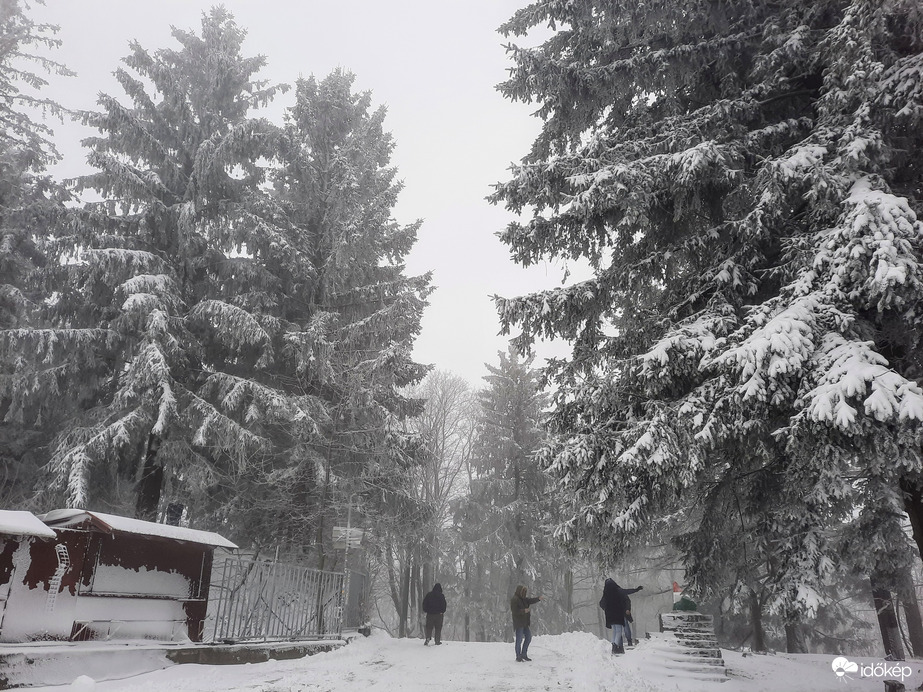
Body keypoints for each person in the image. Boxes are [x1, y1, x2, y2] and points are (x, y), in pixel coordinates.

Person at [600, 578, 642, 654]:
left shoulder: (606, 594)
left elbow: (601, 604)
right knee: (619, 631)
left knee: (614, 631)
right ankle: (615, 646)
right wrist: (636, 589)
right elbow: (627, 592)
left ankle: (613, 645)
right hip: (618, 614)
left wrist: (607, 609)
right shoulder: (618, 590)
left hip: (610, 616)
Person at [510, 584, 542, 662]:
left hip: (525, 623)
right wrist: (524, 611)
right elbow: (514, 611)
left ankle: (524, 654)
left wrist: (538, 599)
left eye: (525, 591)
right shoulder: (515, 599)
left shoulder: (524, 599)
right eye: (523, 591)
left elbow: (530, 600)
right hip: (519, 623)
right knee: (519, 639)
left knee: (528, 637)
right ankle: (518, 656)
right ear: (519, 591)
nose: (524, 593)